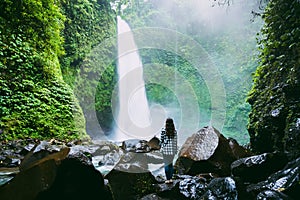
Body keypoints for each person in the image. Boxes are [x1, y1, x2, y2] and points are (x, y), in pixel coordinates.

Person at [160, 118, 177, 183]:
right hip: (172, 151)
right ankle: (171, 178)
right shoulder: (174, 131)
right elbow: (175, 142)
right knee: (170, 165)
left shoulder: (163, 130)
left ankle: (167, 179)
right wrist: (175, 150)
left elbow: (162, 141)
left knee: (166, 164)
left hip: (165, 151)